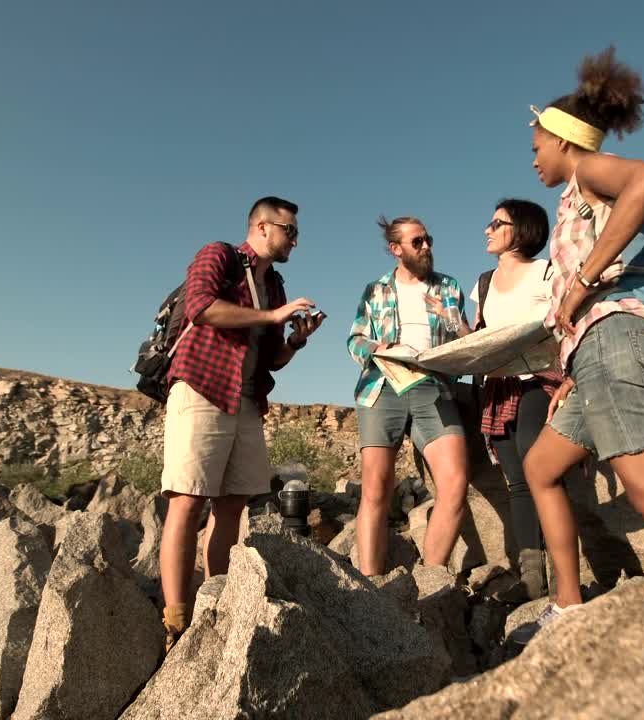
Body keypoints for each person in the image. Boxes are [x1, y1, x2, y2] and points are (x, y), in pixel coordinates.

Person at [517, 47, 644, 638]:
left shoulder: (590, 171)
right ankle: (568, 606)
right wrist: (575, 368)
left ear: (562, 139)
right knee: (541, 466)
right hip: (603, 349)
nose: (534, 160)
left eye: (537, 147)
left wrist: (580, 283)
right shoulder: (581, 193)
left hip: (620, 336)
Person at [159, 196, 323, 650]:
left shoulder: (275, 285)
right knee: (187, 501)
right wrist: (271, 315)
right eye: (290, 231)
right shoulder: (219, 255)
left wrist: (295, 341)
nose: (295, 241)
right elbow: (201, 307)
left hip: (247, 399)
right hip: (202, 387)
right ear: (263, 227)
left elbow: (271, 357)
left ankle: (216, 604)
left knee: (232, 504)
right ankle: (175, 621)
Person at [346, 215, 470, 576]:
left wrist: (451, 319)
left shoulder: (449, 287)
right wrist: (380, 348)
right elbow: (355, 340)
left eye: (428, 239)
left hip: (434, 387)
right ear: (395, 249)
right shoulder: (375, 290)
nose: (426, 246)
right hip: (382, 385)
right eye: (417, 242)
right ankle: (370, 587)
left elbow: (466, 341)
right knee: (375, 491)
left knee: (455, 485)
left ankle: (430, 582)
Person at [467, 198, 562, 600]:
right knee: (518, 482)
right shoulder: (483, 283)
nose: (487, 230)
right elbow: (479, 336)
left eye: (496, 223)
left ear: (521, 229)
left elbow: (564, 323)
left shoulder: (546, 272)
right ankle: (533, 579)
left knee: (536, 463)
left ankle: (563, 574)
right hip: (499, 386)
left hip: (540, 378)